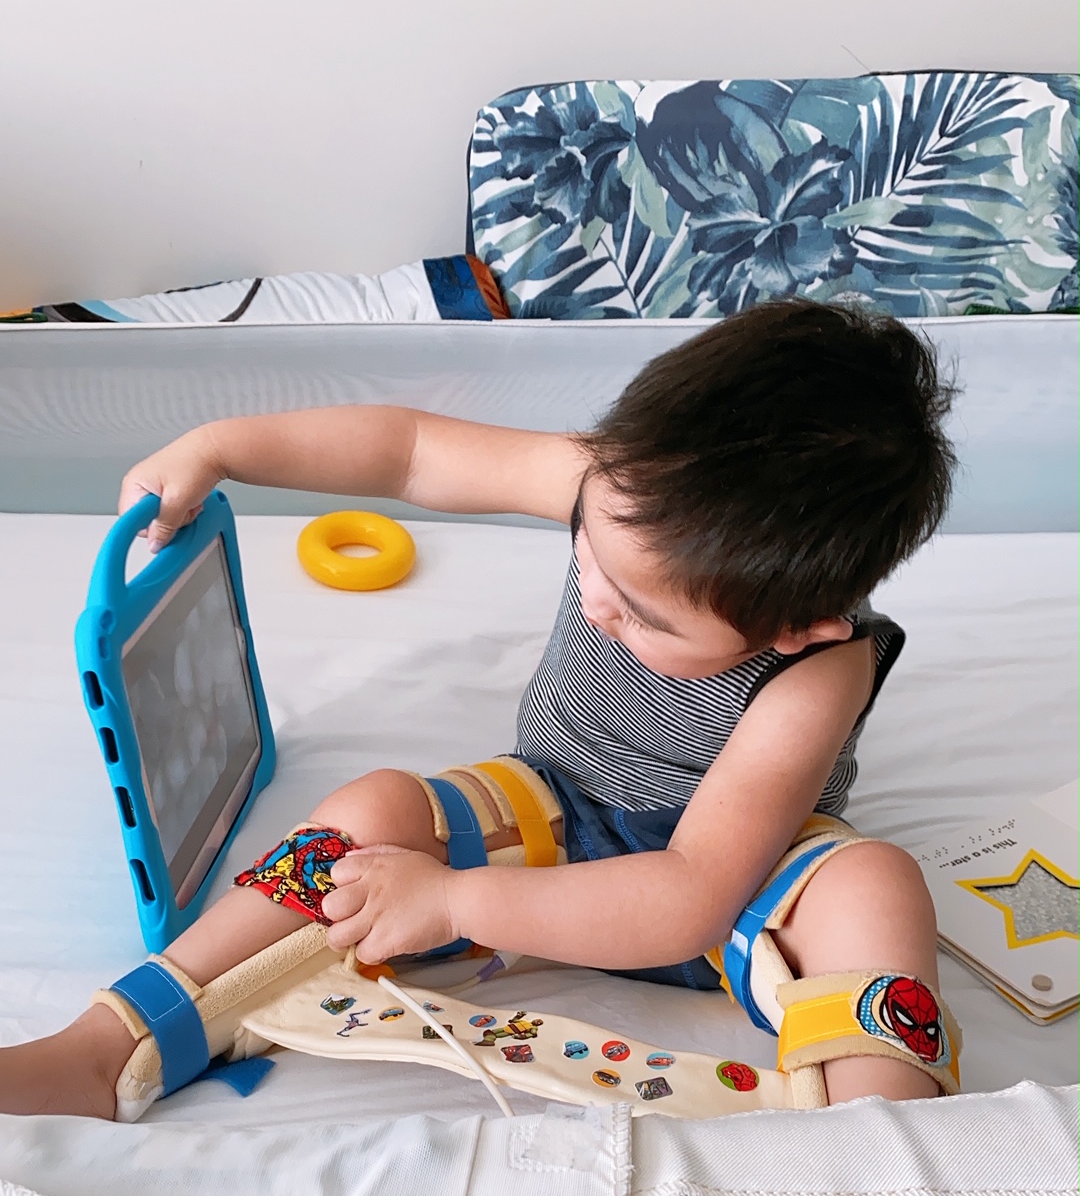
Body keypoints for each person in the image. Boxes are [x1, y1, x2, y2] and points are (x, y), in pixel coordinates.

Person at [0, 299, 959, 1119]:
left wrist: (455, 902)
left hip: (731, 889)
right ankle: (112, 1042)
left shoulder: (821, 672)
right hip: (550, 807)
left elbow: (687, 895)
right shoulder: (623, 488)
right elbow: (411, 451)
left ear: (799, 630)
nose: (596, 602)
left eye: (645, 616)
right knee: (374, 808)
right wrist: (224, 448)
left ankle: (880, 1149)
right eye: (592, 553)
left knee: (871, 887)